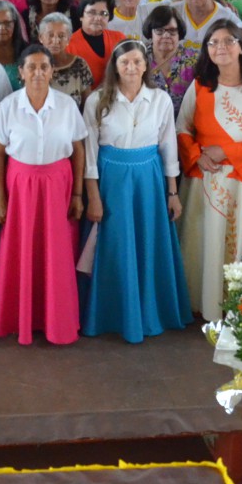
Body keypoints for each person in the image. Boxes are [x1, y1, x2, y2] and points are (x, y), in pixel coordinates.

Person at [80, 39, 190, 343]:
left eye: (137, 62)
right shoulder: (97, 100)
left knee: (146, 245)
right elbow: (89, 154)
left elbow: (168, 148)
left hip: (148, 183)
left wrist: (172, 193)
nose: (131, 67)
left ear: (146, 66)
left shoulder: (160, 99)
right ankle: (111, 315)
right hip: (111, 182)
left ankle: (149, 312)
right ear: (115, 67)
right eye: (124, 62)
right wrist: (93, 196)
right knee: (114, 247)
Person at [177, 19, 242, 322]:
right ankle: (203, 303)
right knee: (203, 242)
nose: (220, 47)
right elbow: (182, 128)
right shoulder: (200, 85)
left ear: (241, 47)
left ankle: (241, 306)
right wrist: (197, 156)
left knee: (239, 242)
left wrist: (226, 152)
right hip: (204, 181)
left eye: (228, 41)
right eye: (213, 42)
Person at [0, 44, 88, 345]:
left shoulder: (66, 106)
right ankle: (18, 316)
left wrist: (77, 194)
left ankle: (56, 319)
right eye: (31, 67)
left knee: (56, 254)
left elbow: (78, 150)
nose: (38, 73)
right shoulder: (9, 106)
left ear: (52, 71)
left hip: (57, 187)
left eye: (44, 67)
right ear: (21, 72)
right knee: (20, 251)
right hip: (20, 189)